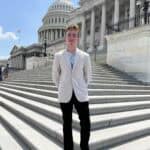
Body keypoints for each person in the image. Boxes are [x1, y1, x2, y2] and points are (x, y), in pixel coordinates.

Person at [52, 24, 92, 150]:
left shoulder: (85, 56)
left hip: (81, 94)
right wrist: (62, 86)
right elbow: (55, 75)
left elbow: (88, 75)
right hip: (65, 93)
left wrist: (82, 86)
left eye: (74, 35)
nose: (71, 37)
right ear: (65, 37)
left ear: (77, 38)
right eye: (69, 35)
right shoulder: (58, 56)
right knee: (67, 125)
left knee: (86, 123)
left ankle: (84, 147)